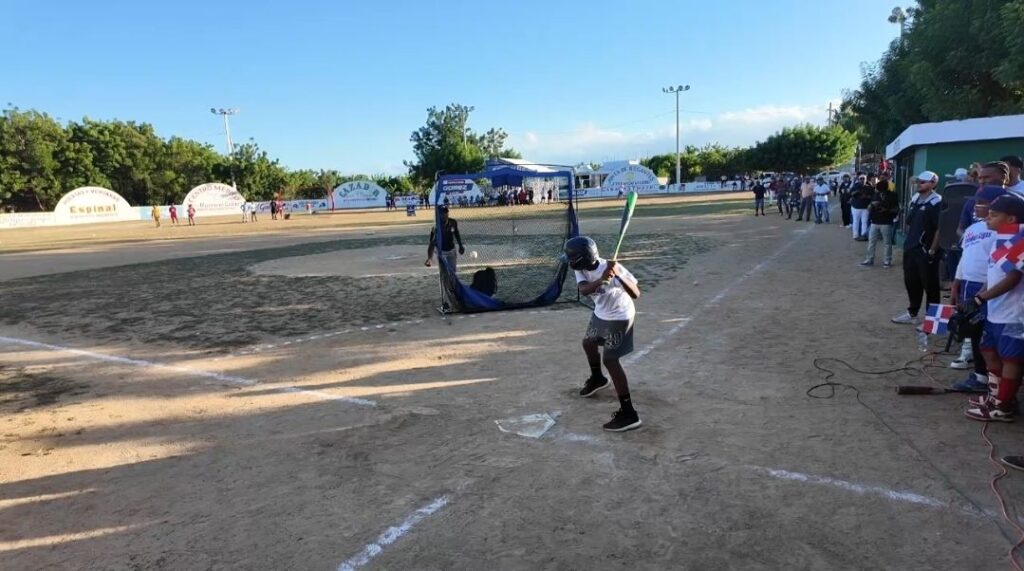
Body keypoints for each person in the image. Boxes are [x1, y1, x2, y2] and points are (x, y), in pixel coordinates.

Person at [563, 236, 642, 432]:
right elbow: (584, 290)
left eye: (572, 258)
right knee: (588, 343)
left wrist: (619, 276)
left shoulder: (614, 268)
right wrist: (601, 280)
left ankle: (629, 413)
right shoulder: (580, 269)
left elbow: (636, 293)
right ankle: (598, 378)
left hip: (620, 315)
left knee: (611, 360)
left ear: (583, 257)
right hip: (601, 313)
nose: (570, 262)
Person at [964, 195, 1024, 421]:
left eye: (994, 215)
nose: (988, 218)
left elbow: (1013, 278)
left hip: (1014, 314)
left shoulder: (1018, 239)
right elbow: (993, 274)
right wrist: (980, 296)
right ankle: (997, 396)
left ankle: (1003, 406)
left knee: (1011, 359)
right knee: (988, 350)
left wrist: (981, 298)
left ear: (1011, 219)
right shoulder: (1002, 238)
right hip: (995, 311)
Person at [948, 186, 1006, 391]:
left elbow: (999, 266)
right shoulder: (973, 229)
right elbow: (965, 257)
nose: (975, 206)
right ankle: (981, 376)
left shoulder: (1000, 231)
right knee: (972, 330)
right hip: (968, 284)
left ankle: (990, 378)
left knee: (986, 333)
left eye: (981, 202)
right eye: (976, 201)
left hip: (989, 287)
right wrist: (956, 283)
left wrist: (985, 289)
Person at [892, 171, 943, 324]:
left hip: (926, 251)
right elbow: (909, 223)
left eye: (923, 182)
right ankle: (912, 313)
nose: (919, 184)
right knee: (911, 282)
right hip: (911, 248)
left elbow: (940, 229)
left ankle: (932, 320)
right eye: (918, 181)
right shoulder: (915, 200)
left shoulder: (937, 202)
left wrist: (932, 250)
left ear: (933, 183)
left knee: (931, 285)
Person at [862, 177, 900, 267]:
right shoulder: (876, 195)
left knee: (887, 243)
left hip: (886, 221)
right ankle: (869, 259)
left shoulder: (893, 195)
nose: (881, 192)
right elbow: (869, 208)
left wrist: (886, 210)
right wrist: (872, 205)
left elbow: (896, 209)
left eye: (882, 191)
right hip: (875, 221)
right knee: (871, 242)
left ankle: (887, 260)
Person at [425, 206, 465, 270]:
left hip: (451, 250)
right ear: (439, 215)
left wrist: (460, 245)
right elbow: (432, 243)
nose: (444, 214)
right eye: (442, 213)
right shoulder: (436, 227)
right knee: (444, 271)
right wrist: (430, 258)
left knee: (453, 270)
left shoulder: (453, 222)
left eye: (446, 212)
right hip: (441, 252)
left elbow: (456, 233)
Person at [849, 175, 872, 241]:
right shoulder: (855, 186)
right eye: (861, 179)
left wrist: (866, 196)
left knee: (864, 222)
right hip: (856, 207)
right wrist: (856, 192)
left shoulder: (869, 187)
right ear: (858, 180)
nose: (862, 180)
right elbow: (850, 194)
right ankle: (855, 235)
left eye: (863, 178)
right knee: (856, 221)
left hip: (865, 207)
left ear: (866, 179)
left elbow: (872, 196)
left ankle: (864, 235)